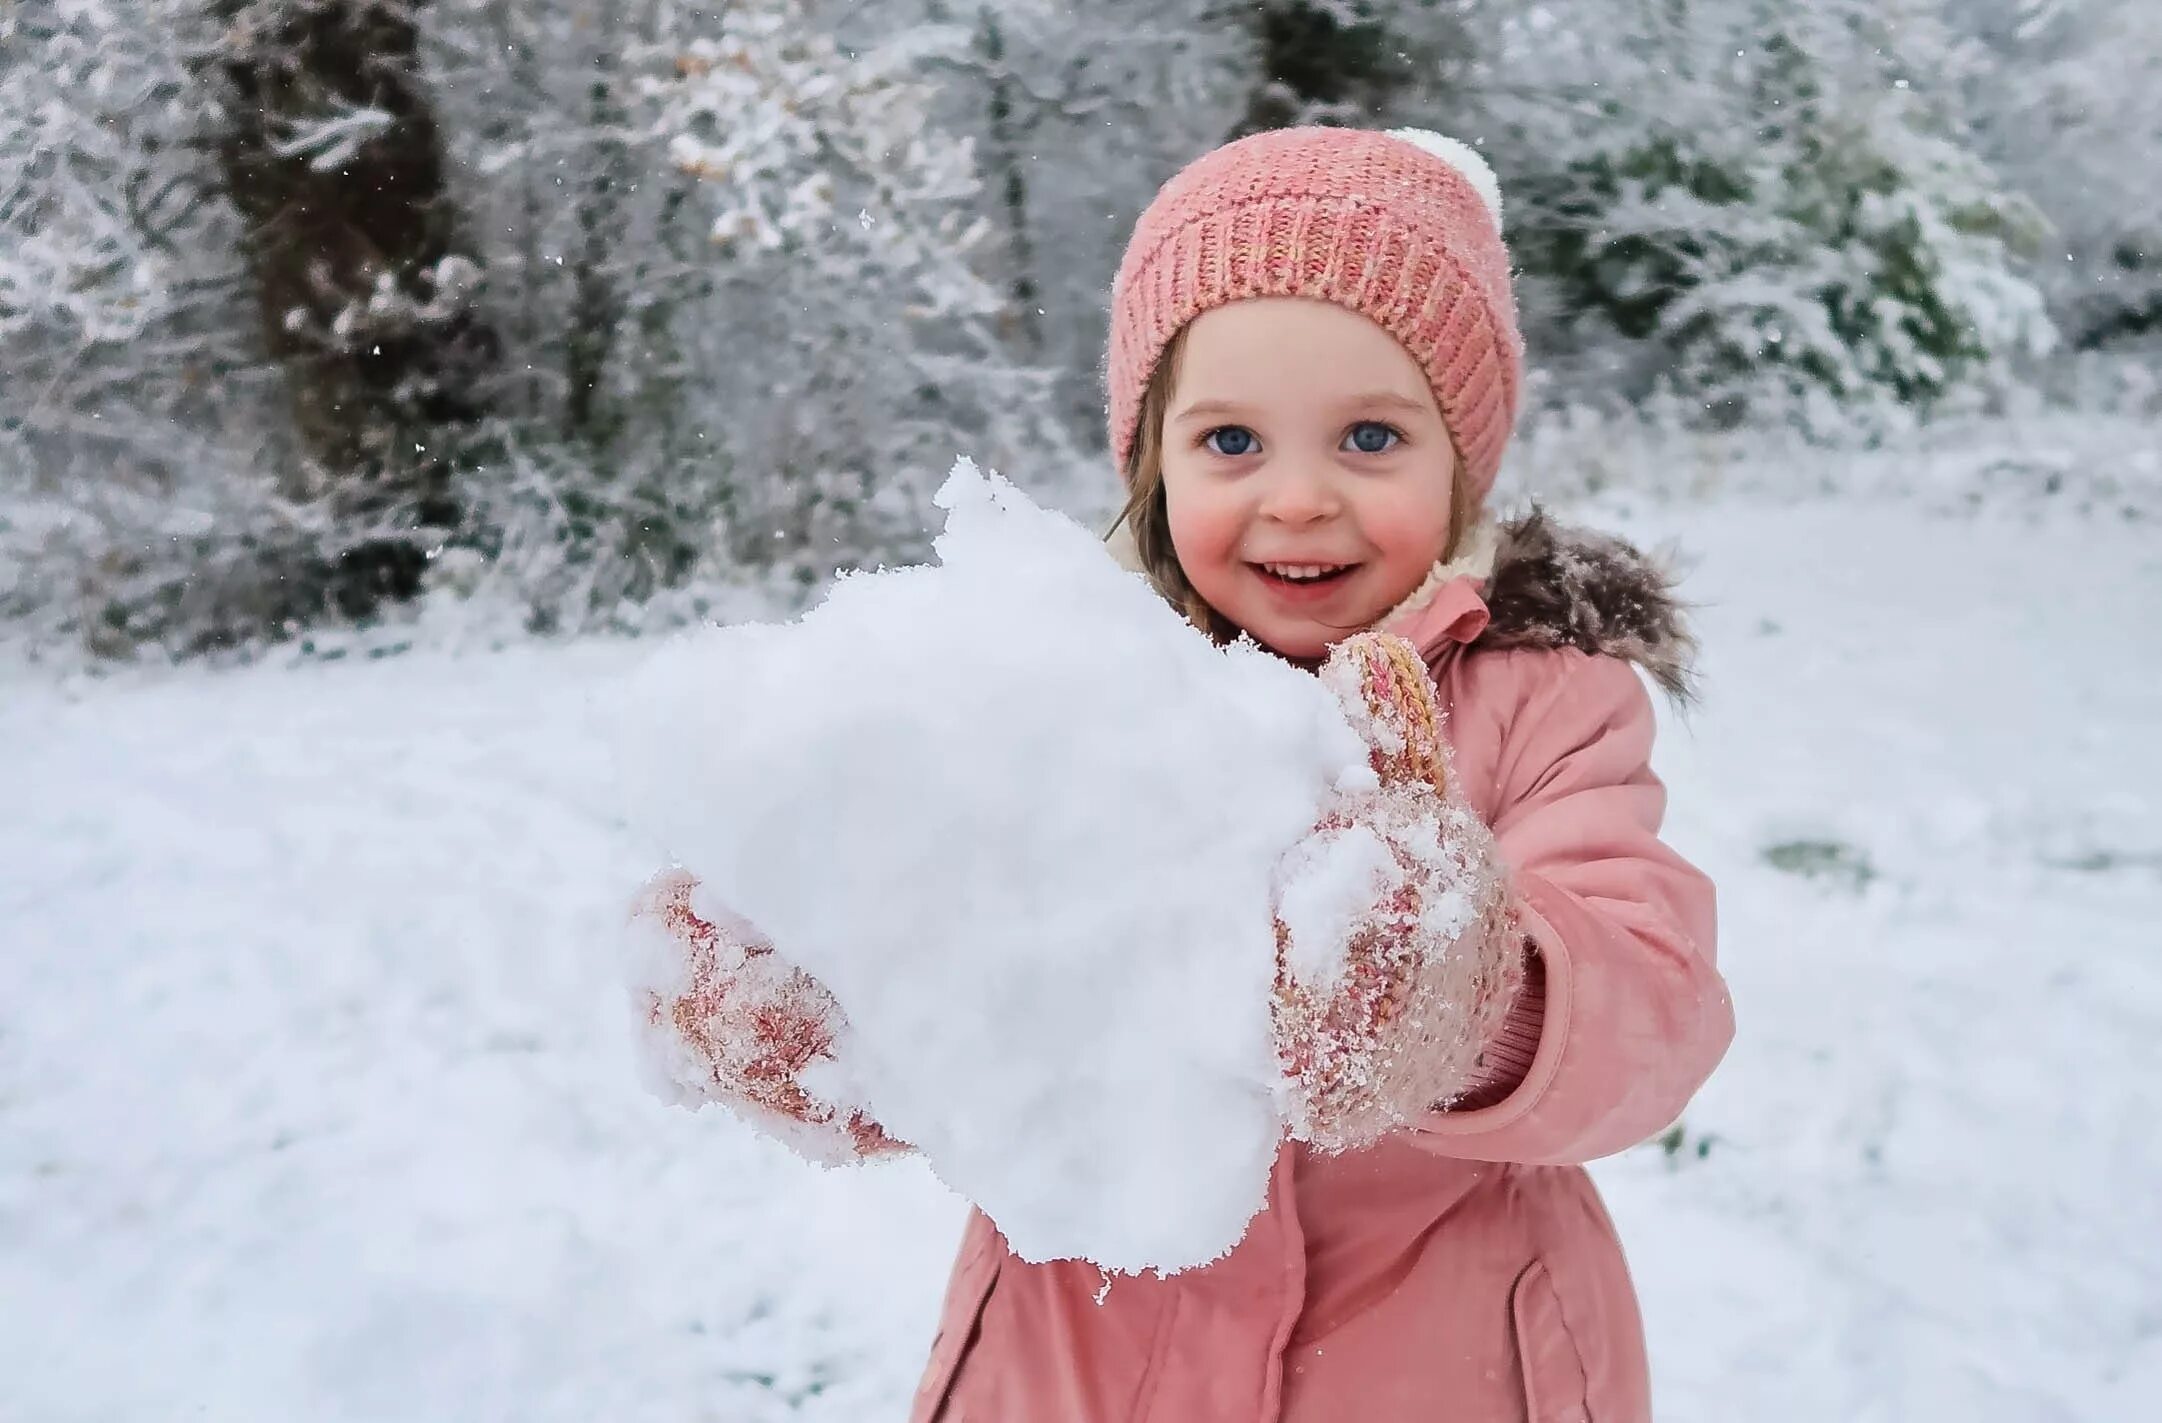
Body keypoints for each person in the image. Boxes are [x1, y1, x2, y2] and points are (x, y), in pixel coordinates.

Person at [630, 125, 1734, 1422]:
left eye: (1370, 438)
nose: (1299, 497)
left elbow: (1651, 1009)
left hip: (1438, 1358)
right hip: (1077, 1358)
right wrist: (834, 1022)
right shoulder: (1054, 696)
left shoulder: (1542, 698)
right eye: (1230, 443)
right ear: (1151, 457)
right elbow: (973, 986)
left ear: (1461, 461)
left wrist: (1465, 1003)